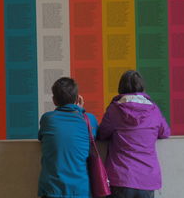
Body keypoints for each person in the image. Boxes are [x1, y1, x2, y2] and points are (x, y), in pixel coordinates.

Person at [98, 70, 170, 198]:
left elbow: (102, 134)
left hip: (121, 176)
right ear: (142, 87)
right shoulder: (153, 110)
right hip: (147, 177)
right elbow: (165, 132)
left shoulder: (115, 109)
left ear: (121, 87)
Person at [38, 77, 98, 198]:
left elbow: (41, 137)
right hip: (80, 190)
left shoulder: (47, 119)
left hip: (52, 189)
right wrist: (80, 110)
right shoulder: (89, 119)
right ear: (77, 99)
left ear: (54, 100)